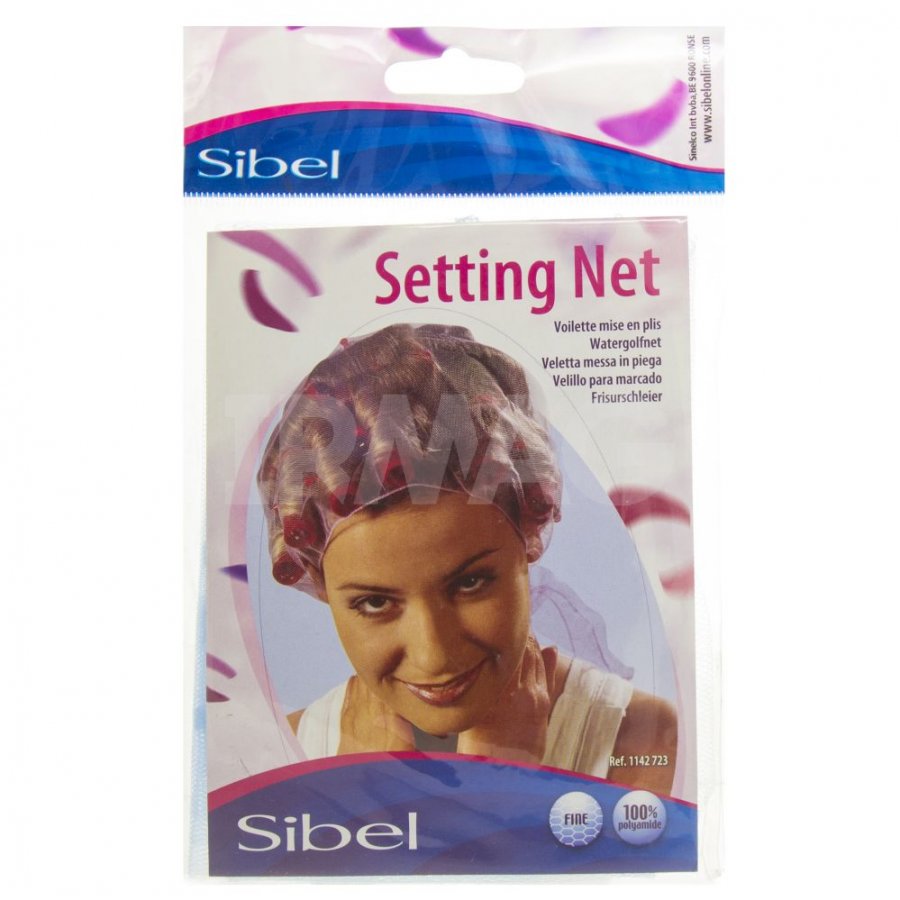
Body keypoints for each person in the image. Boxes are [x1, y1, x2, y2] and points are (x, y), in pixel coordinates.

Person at [257, 323, 676, 792]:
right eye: (375, 602)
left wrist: (498, 786)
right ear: (318, 583)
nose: (434, 655)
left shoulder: (651, 747)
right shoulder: (282, 751)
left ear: (528, 534)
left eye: (469, 583)